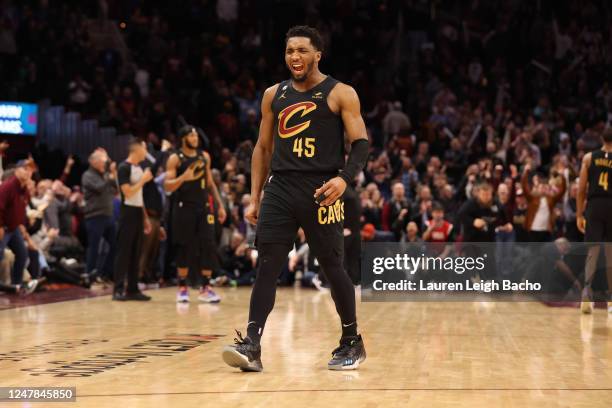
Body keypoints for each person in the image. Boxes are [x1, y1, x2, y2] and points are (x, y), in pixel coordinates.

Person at [222, 25, 368, 372]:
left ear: (318, 54)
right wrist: (255, 196)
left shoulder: (341, 93)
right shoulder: (274, 94)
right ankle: (252, 343)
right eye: (289, 51)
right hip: (281, 187)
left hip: (322, 189)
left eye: (302, 50)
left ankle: (352, 340)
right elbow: (262, 148)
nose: (294, 57)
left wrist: (344, 180)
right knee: (267, 266)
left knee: (333, 268)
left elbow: (361, 143)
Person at [164, 126, 227, 303]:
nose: (195, 138)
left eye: (196, 135)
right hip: (183, 207)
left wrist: (220, 206)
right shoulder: (175, 158)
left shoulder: (204, 156)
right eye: (192, 135)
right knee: (183, 245)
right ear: (183, 138)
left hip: (204, 206)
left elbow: (210, 183)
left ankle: (206, 287)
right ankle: (182, 287)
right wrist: (184, 177)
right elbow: (167, 186)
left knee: (208, 244)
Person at [576, 128, 612, 314]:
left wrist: (579, 215)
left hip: (595, 205)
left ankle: (586, 291)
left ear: (601, 138)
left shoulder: (589, 158)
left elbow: (581, 189)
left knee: (593, 249)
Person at [113, 138, 153, 301]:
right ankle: (118, 289)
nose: (146, 153)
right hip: (127, 212)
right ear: (136, 150)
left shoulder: (139, 168)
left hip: (137, 211)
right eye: (144, 149)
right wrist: (143, 180)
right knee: (124, 251)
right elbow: (128, 192)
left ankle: (133, 289)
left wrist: (145, 217)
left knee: (136, 252)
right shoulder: (123, 168)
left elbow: (138, 196)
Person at [81, 148, 117, 282]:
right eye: (103, 161)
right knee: (94, 247)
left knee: (115, 244)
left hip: (108, 215)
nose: (105, 163)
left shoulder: (104, 175)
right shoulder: (87, 175)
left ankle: (104, 272)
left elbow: (115, 188)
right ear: (94, 162)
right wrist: (108, 175)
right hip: (95, 216)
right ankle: (89, 274)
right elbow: (99, 188)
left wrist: (113, 174)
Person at [0, 161, 34, 288]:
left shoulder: (25, 190)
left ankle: (16, 285)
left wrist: (23, 224)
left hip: (13, 228)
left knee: (22, 254)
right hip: (4, 227)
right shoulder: (7, 186)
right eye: (25, 168)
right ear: (16, 170)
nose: (28, 172)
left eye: (30, 170)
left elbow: (20, 210)